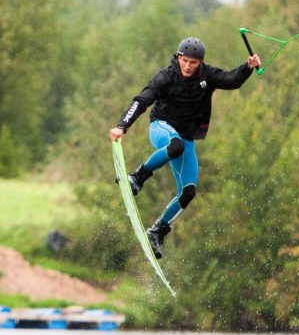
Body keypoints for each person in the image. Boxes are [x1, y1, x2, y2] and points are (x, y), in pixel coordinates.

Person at [109, 36, 261, 258]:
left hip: (185, 138)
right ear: (178, 57)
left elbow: (231, 80)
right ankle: (137, 177)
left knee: (188, 191)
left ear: (200, 62)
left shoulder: (207, 76)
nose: (187, 66)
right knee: (175, 145)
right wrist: (121, 126)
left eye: (193, 62)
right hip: (162, 127)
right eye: (184, 61)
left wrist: (248, 67)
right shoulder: (166, 77)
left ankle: (157, 231)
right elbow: (141, 101)